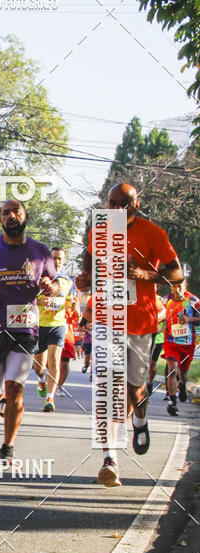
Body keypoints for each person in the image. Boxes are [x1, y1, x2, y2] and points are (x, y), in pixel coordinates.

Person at [76, 182, 182, 487]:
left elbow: (176, 274)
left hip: (140, 323)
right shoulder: (100, 230)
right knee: (108, 386)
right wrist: (85, 279)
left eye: (122, 204)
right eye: (111, 203)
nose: (115, 209)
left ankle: (140, 419)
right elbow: (89, 264)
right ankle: (110, 458)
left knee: (136, 391)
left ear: (136, 204)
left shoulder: (154, 233)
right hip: (107, 320)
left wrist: (143, 274)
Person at [0, 199, 58, 465]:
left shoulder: (41, 252)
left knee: (16, 387)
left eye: (15, 211)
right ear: (0, 220)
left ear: (25, 216)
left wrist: (49, 286)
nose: (11, 216)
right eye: (5, 213)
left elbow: (55, 284)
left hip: (25, 329)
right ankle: (0, 399)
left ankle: (8, 446)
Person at [32, 245, 77, 412]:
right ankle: (41, 379)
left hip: (57, 325)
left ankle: (50, 398)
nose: (57, 261)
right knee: (38, 367)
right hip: (39, 326)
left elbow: (68, 301)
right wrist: (39, 301)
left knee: (54, 361)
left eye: (60, 258)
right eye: (54, 258)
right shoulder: (39, 277)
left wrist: (74, 306)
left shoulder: (67, 280)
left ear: (64, 260)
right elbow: (29, 298)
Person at [163, 279, 200, 416]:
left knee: (183, 373)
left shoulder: (193, 301)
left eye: (179, 286)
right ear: (171, 287)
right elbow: (158, 315)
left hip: (187, 344)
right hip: (171, 342)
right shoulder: (165, 300)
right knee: (172, 371)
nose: (177, 289)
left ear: (185, 286)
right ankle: (172, 403)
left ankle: (183, 384)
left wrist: (189, 319)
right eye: (174, 286)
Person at [147, 294, 167, 396]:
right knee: (144, 363)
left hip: (157, 339)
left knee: (152, 364)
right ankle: (144, 384)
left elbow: (165, 318)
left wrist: (161, 330)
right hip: (144, 337)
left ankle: (149, 382)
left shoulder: (159, 300)